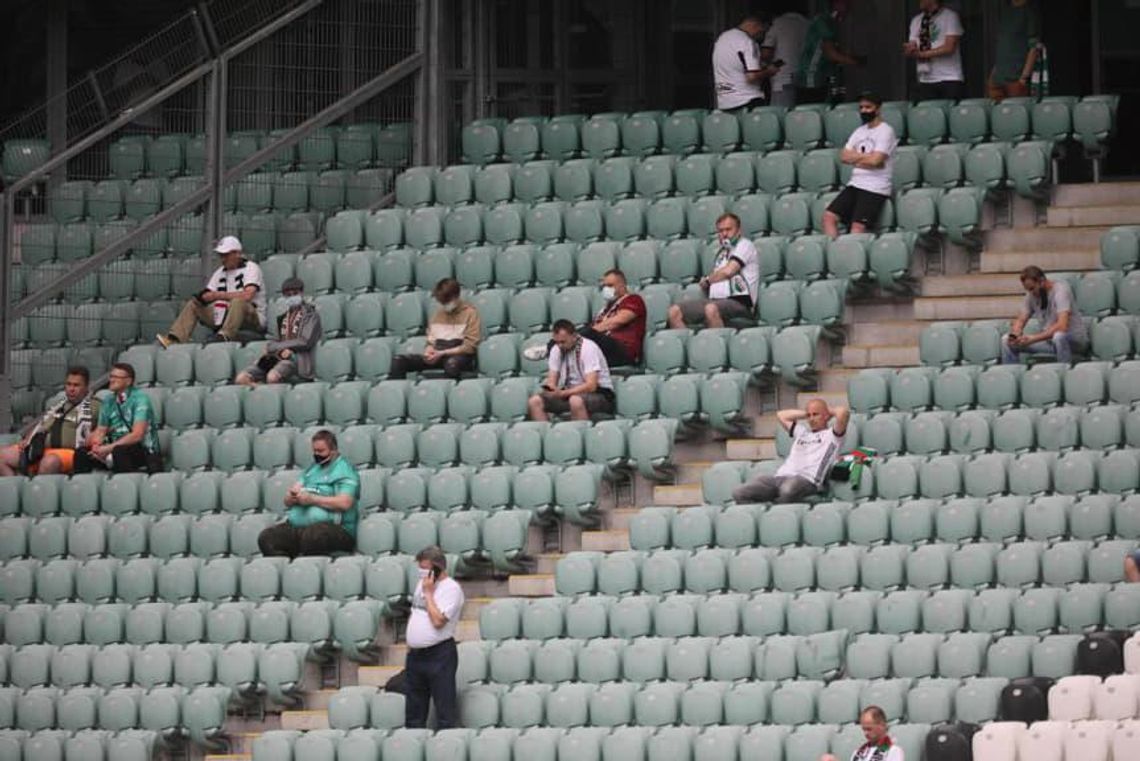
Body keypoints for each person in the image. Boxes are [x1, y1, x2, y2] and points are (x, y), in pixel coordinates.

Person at [258, 429, 360, 557]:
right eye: (314, 451)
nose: (316, 454)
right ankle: (290, 569)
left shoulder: (344, 470)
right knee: (268, 538)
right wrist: (292, 497)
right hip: (300, 528)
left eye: (321, 451)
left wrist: (313, 499)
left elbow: (345, 503)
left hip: (337, 530)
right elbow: (287, 500)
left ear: (334, 451)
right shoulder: (312, 469)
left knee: (313, 536)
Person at [523, 269, 647, 368]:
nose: (606, 289)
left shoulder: (633, 299)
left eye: (610, 285)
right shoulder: (606, 308)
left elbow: (617, 321)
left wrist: (586, 333)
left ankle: (549, 349)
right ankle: (556, 352)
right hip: (604, 352)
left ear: (622, 285)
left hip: (624, 351)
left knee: (586, 332)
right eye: (604, 286)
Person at [733, 399, 849, 504]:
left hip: (807, 480)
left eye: (816, 414)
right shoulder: (802, 433)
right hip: (780, 477)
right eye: (809, 416)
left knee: (787, 491)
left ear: (826, 416)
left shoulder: (832, 436)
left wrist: (828, 410)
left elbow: (843, 413)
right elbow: (781, 415)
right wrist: (806, 413)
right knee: (740, 493)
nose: (811, 419)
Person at [157, 235, 267, 346]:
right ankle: (174, 340)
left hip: (252, 318)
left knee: (238, 301)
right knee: (193, 305)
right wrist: (203, 298)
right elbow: (208, 293)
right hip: (223, 315)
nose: (223, 259)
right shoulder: (220, 272)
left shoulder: (252, 268)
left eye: (226, 255)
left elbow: (247, 295)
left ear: (237, 253)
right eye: (221, 256)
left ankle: (225, 336)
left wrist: (217, 295)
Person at [404, 545, 465, 730]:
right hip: (416, 656)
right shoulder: (421, 584)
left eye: (425, 568)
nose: (422, 573)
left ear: (438, 568)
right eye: (420, 568)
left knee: (444, 708)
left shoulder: (451, 589)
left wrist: (429, 594)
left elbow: (438, 621)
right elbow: (417, 612)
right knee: (414, 711)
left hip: (439, 655)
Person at [823, 92, 898, 240]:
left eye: (868, 107)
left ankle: (852, 259)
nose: (864, 111)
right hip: (855, 184)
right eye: (861, 107)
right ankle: (834, 253)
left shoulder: (886, 131)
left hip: (875, 187)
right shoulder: (859, 131)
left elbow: (876, 161)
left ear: (878, 109)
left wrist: (857, 158)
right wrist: (867, 158)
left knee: (857, 227)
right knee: (828, 217)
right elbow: (844, 156)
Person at [0, 367, 100, 477]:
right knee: (2, 456)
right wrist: (28, 439)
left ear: (86, 387)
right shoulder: (58, 405)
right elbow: (42, 426)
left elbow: (105, 428)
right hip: (41, 449)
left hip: (70, 453)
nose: (71, 389)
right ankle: (18, 488)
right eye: (69, 384)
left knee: (48, 463)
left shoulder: (95, 407)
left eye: (76, 385)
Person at [668, 213, 760, 330]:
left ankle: (716, 346)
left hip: (741, 303)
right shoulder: (721, 253)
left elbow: (728, 272)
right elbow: (718, 280)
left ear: (738, 230)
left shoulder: (745, 245)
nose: (724, 234)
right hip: (715, 301)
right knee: (674, 312)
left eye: (728, 229)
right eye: (721, 231)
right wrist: (707, 285)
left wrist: (707, 280)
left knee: (711, 308)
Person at [77, 363, 162, 474]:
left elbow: (137, 435)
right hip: (113, 448)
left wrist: (108, 448)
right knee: (81, 454)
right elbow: (101, 430)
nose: (111, 380)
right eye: (111, 376)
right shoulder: (108, 401)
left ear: (128, 381)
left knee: (119, 452)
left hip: (141, 450)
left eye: (116, 377)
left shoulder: (141, 399)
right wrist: (96, 446)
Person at [235, 277, 321, 386]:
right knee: (241, 379)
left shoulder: (311, 315)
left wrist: (281, 347)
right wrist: (273, 349)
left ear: (302, 293)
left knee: (272, 377)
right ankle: (263, 391)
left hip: (296, 358)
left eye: (295, 293)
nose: (292, 297)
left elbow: (305, 341)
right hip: (276, 358)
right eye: (288, 295)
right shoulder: (282, 318)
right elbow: (274, 342)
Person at [389, 278, 481, 379]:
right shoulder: (437, 315)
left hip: (459, 356)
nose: (444, 305)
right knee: (398, 361)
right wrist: (429, 350)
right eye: (442, 302)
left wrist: (442, 353)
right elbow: (431, 341)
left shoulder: (470, 313)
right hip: (438, 354)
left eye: (447, 301)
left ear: (456, 296)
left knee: (452, 365)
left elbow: (470, 347)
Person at [527, 320, 615, 421]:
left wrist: (564, 393)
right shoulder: (556, 349)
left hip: (600, 394)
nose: (560, 345)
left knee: (575, 400)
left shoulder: (589, 348)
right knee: (535, 401)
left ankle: (581, 433)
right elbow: (552, 380)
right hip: (570, 392)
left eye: (563, 342)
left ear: (574, 336)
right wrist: (550, 391)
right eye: (557, 342)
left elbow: (591, 386)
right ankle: (546, 433)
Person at [1001, 266, 1088, 365]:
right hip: (1049, 342)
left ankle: (1063, 372)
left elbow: (1062, 326)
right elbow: (1021, 319)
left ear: (1042, 281)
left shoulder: (1061, 291)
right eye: (1028, 289)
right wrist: (1016, 334)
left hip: (1074, 341)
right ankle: (1013, 373)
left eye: (1032, 288)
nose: (1031, 292)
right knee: (1006, 340)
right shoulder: (1031, 294)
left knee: (1059, 336)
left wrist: (1033, 338)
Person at [797, 0, 865, 105]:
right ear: (837, 4)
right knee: (813, 112)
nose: (849, 7)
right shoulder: (824, 22)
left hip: (825, 75)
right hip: (811, 76)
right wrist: (855, 61)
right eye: (846, 4)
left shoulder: (833, 22)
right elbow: (831, 53)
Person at [712, 14, 780, 112]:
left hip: (724, 102)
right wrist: (769, 71)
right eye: (762, 32)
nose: (761, 36)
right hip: (747, 100)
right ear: (755, 25)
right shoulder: (747, 41)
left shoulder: (722, 38)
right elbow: (752, 77)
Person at [903, 0, 965, 101]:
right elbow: (913, 44)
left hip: (949, 77)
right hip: (924, 78)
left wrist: (922, 54)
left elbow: (949, 47)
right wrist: (910, 50)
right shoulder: (916, 20)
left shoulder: (950, 16)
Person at [989, 0, 1041, 102]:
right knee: (996, 115)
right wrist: (993, 74)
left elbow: (1034, 47)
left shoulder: (1029, 12)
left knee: (1016, 114)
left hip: (1016, 80)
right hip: (997, 79)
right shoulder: (1004, 12)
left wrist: (1023, 78)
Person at [761, 5, 810, 108]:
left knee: (781, 113)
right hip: (805, 74)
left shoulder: (778, 23)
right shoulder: (808, 23)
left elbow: (766, 52)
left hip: (783, 76)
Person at [820, 706, 904, 761]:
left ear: (882, 725)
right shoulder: (858, 753)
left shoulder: (893, 751)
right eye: (863, 729)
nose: (865, 733)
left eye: (869, 729)